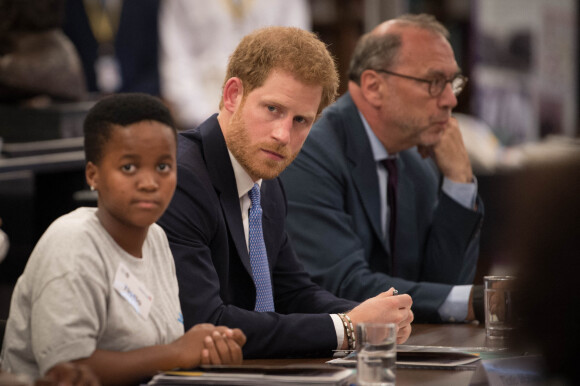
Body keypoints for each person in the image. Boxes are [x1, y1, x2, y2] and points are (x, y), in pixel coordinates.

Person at [157, 26, 413, 359]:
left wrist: (376, 316)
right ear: (233, 95)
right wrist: (348, 328)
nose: (283, 135)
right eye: (273, 109)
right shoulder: (182, 178)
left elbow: (294, 292)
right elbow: (208, 324)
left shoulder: (268, 182)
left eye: (301, 120)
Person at [0, 93, 246, 384]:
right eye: (128, 167)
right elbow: (68, 369)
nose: (149, 182)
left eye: (163, 167)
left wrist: (209, 351)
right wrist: (178, 354)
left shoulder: (156, 238)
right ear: (93, 175)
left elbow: (163, 351)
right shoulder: (72, 244)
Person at [280, 14, 484, 323]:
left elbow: (441, 286)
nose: (450, 99)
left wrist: (459, 182)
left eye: (452, 82)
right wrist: (478, 301)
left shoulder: (414, 161)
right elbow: (343, 285)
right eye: (433, 82)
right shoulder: (309, 150)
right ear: (374, 86)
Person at [159, 0, 311, 130]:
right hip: (200, 118)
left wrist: (267, 113)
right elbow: (176, 63)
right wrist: (208, 120)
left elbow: (294, 56)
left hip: (270, 116)